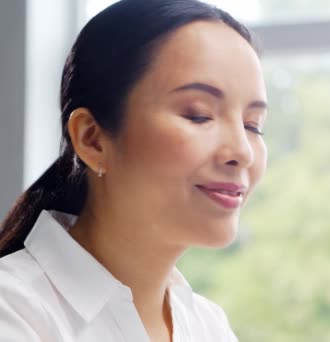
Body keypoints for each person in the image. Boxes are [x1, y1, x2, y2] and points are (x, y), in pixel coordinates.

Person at [0, 0, 267, 340]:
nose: (242, 152)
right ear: (92, 139)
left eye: (253, 125)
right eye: (198, 114)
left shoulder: (208, 325)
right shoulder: (13, 313)